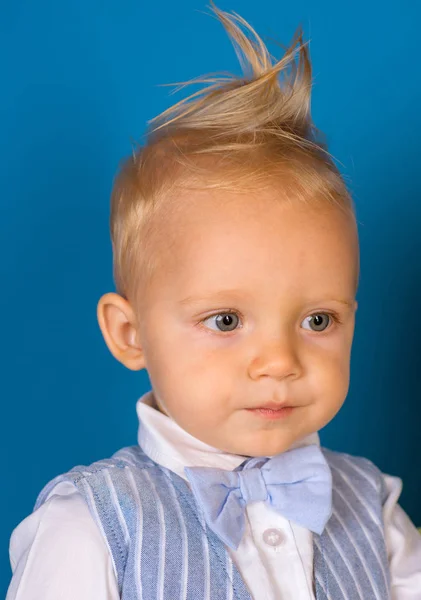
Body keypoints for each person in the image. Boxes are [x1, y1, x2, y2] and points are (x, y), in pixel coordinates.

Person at [6, 2, 421, 599]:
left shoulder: (375, 509)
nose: (278, 361)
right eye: (226, 320)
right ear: (131, 334)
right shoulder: (91, 525)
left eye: (317, 319)